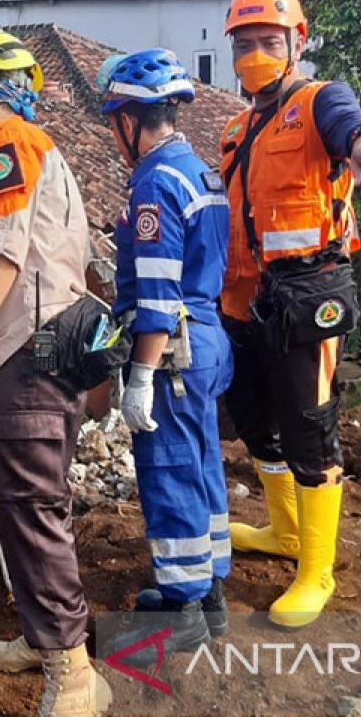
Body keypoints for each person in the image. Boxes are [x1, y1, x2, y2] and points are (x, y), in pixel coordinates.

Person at [0, 30, 111, 717]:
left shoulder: (2, 148)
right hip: (57, 345)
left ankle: (71, 675)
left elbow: (1, 252)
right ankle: (46, 640)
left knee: (32, 510)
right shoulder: (47, 151)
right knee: (31, 503)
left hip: (29, 355)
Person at [219, 0, 361, 627]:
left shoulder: (320, 101)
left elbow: (349, 126)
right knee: (254, 417)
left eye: (268, 41)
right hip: (251, 296)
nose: (255, 54)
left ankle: (316, 570)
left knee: (307, 423)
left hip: (313, 292)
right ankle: (283, 531)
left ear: (296, 44)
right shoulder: (236, 130)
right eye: (244, 44)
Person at [95, 49, 233, 666]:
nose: (113, 134)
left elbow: (155, 292)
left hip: (171, 352)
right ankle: (210, 595)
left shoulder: (154, 183)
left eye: (113, 121)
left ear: (130, 118)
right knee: (203, 462)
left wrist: (141, 376)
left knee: (171, 471)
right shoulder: (199, 172)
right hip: (206, 340)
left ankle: (181, 615)